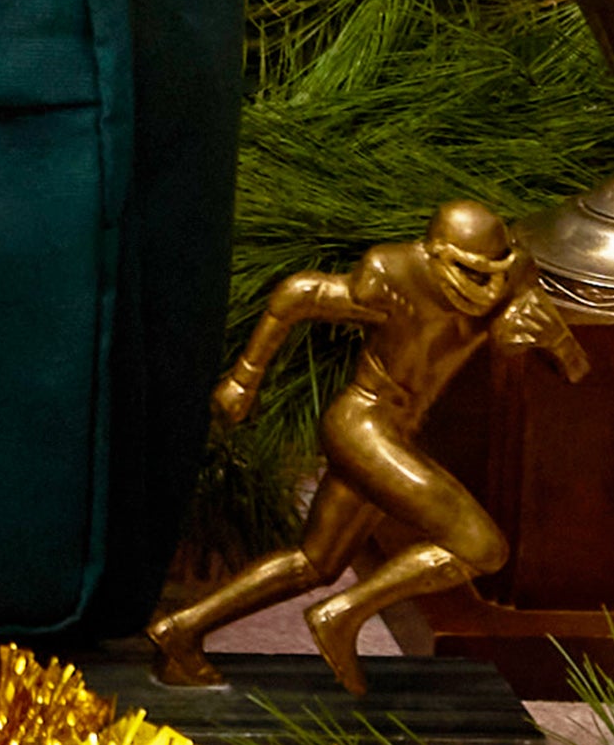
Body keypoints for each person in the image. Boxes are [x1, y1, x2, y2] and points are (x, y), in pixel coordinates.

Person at [148, 200, 588, 694]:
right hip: (362, 424)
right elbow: (298, 294)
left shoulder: (513, 278)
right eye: (472, 272)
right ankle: (344, 614)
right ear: (435, 255)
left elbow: (568, 367)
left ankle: (181, 631)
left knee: (313, 563)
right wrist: (244, 379)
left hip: (395, 433)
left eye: (496, 274)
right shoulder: (393, 277)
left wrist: (558, 345)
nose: (487, 289)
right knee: (482, 547)